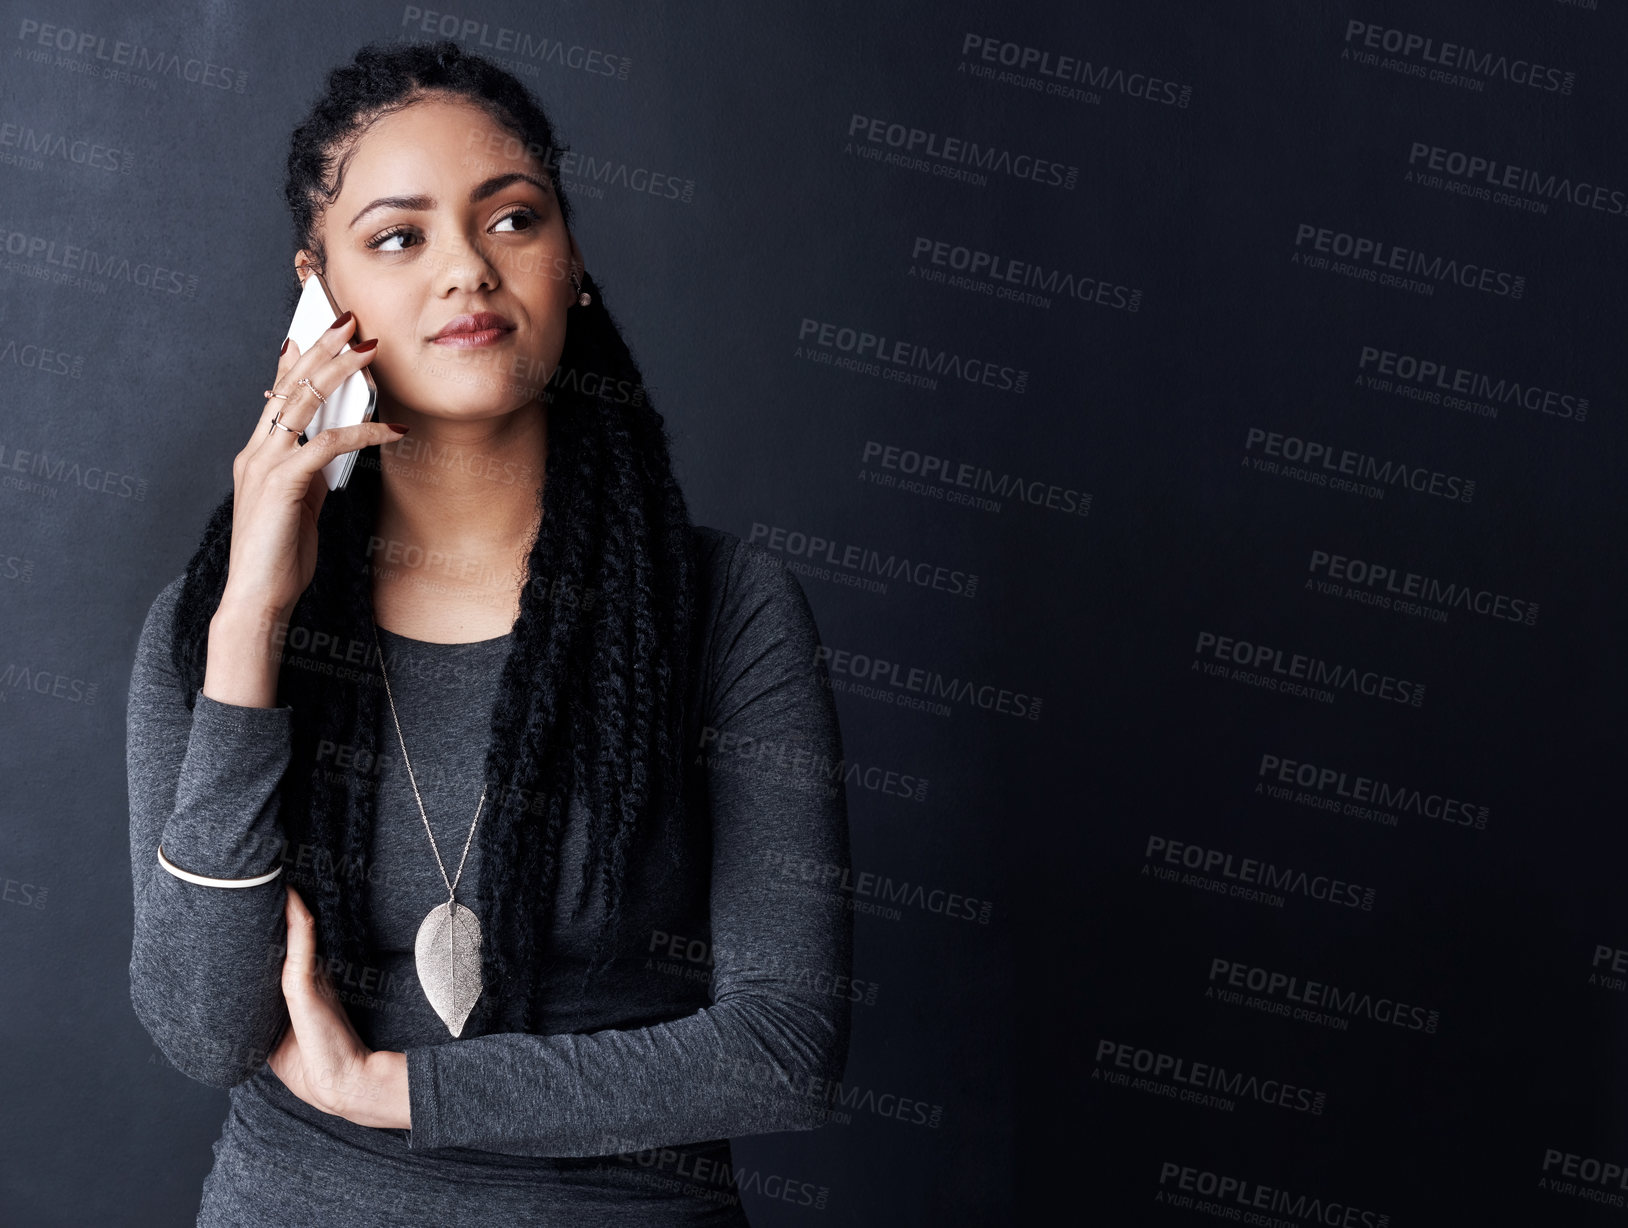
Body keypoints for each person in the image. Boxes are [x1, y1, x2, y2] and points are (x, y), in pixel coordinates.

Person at [126, 39, 852, 1226]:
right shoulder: (214, 628)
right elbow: (206, 1028)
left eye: (511, 220)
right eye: (398, 237)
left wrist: (391, 1088)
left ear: (570, 265)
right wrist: (250, 626)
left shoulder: (721, 609)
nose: (465, 267)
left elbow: (782, 1046)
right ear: (320, 294)